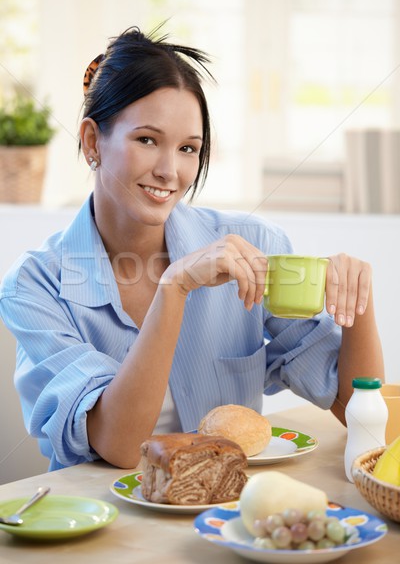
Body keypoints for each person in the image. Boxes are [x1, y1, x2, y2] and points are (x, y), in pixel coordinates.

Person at [0, 26, 384, 471]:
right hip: (104, 524)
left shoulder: (255, 245)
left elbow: (357, 414)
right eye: (147, 140)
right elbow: (122, 446)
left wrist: (357, 302)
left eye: (188, 148)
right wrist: (174, 286)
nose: (169, 170)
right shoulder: (35, 286)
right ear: (91, 142)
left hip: (225, 520)